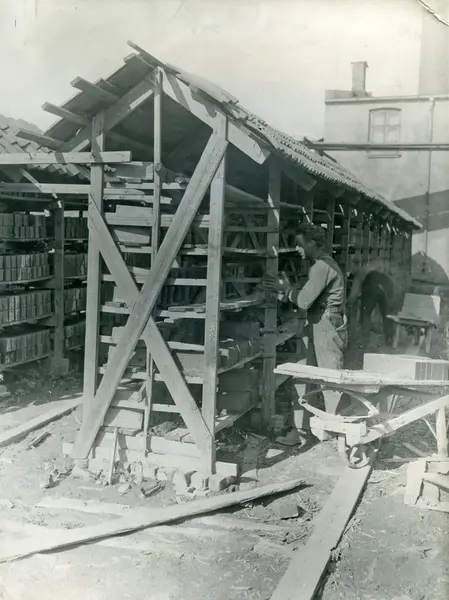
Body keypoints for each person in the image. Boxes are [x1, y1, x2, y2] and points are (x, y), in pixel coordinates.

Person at [263, 222, 348, 445]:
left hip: (326, 325)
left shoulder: (321, 266)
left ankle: (338, 434)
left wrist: (285, 289)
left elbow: (303, 301)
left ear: (312, 243)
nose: (297, 249)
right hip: (319, 321)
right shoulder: (323, 264)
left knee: (330, 380)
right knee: (303, 374)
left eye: (300, 245)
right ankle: (302, 431)